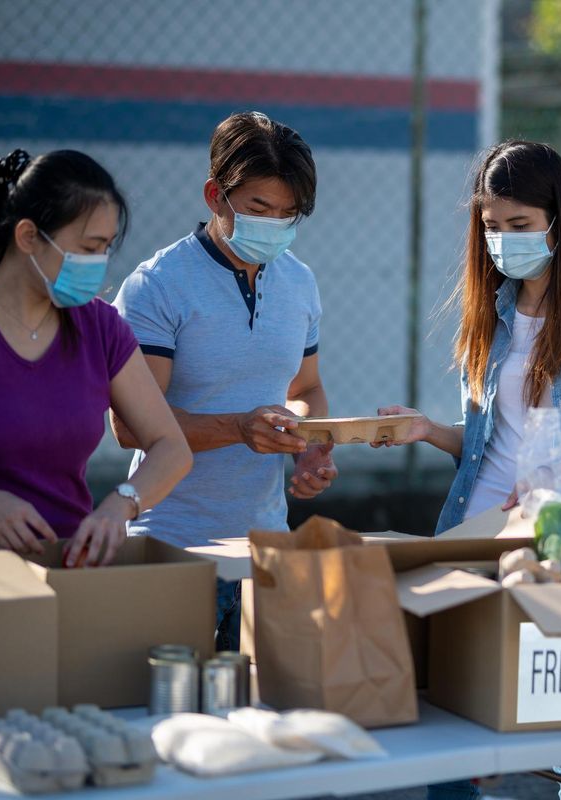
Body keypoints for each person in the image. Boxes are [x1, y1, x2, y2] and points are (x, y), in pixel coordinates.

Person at [375, 139, 561, 800]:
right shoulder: (492, 309)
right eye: (493, 228)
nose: (503, 241)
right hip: (476, 535)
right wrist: (429, 431)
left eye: (520, 226)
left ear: (559, 220)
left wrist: (547, 475)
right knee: (453, 724)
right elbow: (488, 446)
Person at [111, 112, 336, 649]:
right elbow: (130, 426)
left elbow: (305, 391)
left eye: (289, 215)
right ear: (216, 196)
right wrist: (240, 428)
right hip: (170, 549)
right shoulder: (157, 285)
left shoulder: (300, 283)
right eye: (259, 209)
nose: (274, 225)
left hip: (265, 552)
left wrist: (307, 443)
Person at [0, 149, 191, 566]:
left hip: (68, 572)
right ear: (28, 236)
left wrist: (122, 504)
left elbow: (171, 447)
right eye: (88, 247)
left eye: (105, 248)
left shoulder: (101, 328)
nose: (98, 263)